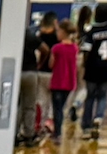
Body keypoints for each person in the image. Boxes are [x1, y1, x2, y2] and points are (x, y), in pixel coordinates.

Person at [78, 8, 107, 135]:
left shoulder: (91, 31)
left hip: (92, 69)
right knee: (102, 96)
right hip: (106, 68)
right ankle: (98, 117)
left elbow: (86, 50)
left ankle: (86, 126)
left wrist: (85, 64)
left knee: (90, 97)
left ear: (95, 15)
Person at [19, 13, 56, 142]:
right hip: (31, 72)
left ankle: (14, 133)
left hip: (15, 72)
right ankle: (29, 133)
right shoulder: (30, 35)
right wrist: (40, 64)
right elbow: (45, 49)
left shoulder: (9, 35)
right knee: (30, 105)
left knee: (16, 105)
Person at [48, 21, 80, 141]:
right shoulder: (75, 48)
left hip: (58, 81)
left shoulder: (56, 48)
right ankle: (58, 132)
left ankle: (57, 133)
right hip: (69, 82)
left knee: (57, 108)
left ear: (63, 32)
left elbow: (51, 64)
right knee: (61, 107)